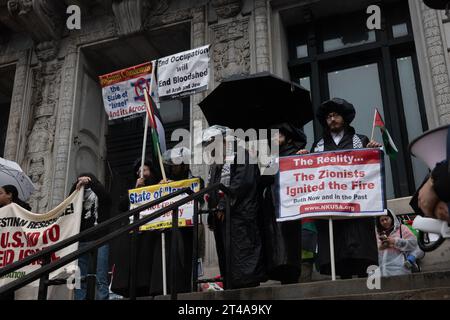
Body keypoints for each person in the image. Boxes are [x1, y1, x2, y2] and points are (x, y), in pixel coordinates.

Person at [311, 98, 382, 279]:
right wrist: (303, 157)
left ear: (344, 118)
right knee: (337, 253)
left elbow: (371, 170)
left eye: (335, 115)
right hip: (331, 206)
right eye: (328, 117)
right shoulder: (318, 146)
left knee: (360, 250)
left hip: (356, 204)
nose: (332, 119)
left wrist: (372, 151)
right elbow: (310, 174)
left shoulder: (360, 140)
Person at [204, 125, 266, 289]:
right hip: (223, 216)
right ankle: (230, 282)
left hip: (240, 214)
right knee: (227, 252)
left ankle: (245, 284)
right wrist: (212, 212)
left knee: (242, 251)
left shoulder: (242, 155)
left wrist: (223, 205)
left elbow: (242, 184)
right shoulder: (216, 164)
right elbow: (212, 190)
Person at [259, 122, 308, 284]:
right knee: (274, 239)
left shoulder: (295, 153)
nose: (274, 138)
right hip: (271, 202)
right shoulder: (272, 157)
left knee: (288, 238)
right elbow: (263, 179)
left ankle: (291, 270)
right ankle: (278, 269)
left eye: (278, 134)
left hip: (289, 201)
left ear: (287, 137)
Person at [110, 158, 165, 297]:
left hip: (151, 232)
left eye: (145, 170)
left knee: (147, 266)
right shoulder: (133, 186)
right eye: (139, 171)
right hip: (134, 231)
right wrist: (135, 190)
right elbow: (122, 206)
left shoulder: (158, 183)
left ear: (151, 171)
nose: (142, 173)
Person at [68, 173, 112, 300]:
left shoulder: (99, 193)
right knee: (79, 277)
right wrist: (76, 186)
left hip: (101, 238)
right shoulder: (78, 196)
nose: (85, 186)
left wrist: (91, 182)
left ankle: (102, 298)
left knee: (101, 276)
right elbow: (69, 202)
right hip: (82, 240)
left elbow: (107, 198)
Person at [376, 210, 424, 277]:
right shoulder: (377, 234)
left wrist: (395, 242)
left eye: (386, 219)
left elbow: (414, 244)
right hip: (382, 271)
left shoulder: (402, 229)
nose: (384, 222)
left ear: (392, 218)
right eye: (382, 220)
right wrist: (380, 247)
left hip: (400, 269)